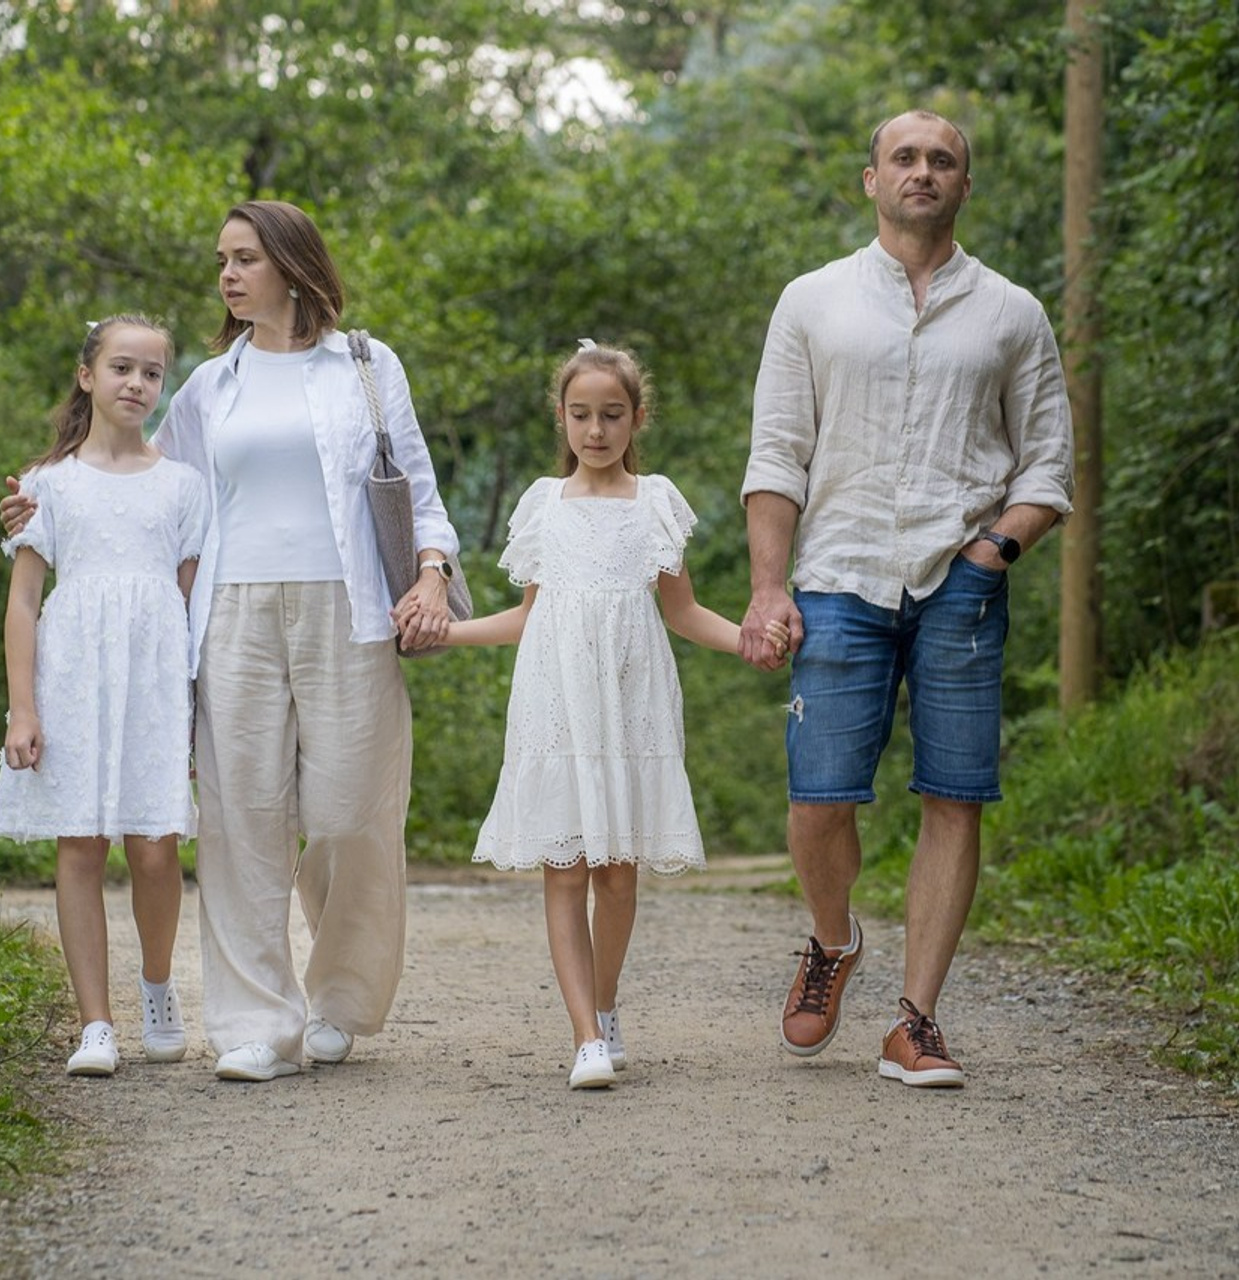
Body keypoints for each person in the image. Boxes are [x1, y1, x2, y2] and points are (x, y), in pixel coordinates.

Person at [4, 202, 460, 1082]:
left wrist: (432, 574)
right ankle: (256, 1025)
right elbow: (137, 480)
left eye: (245, 259)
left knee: (349, 814)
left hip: (350, 606)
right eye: (222, 260)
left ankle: (337, 998)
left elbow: (419, 487)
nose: (227, 275)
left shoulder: (365, 365)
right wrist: (36, 499)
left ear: (290, 265)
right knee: (241, 819)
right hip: (231, 614)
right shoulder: (212, 384)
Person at [738, 109, 1074, 1087]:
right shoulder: (811, 302)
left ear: (964, 185)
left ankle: (914, 1020)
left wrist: (990, 552)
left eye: (942, 159)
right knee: (814, 798)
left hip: (959, 581)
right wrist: (767, 588)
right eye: (904, 157)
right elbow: (775, 454)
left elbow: (1046, 463)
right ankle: (831, 939)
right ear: (868, 180)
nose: (922, 171)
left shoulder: (1010, 313)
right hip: (838, 572)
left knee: (952, 795)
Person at [438, 341, 787, 1089]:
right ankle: (586, 1036)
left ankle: (605, 1001)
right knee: (564, 870)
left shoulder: (655, 502)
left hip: (630, 704)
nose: (595, 431)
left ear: (636, 418)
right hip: (556, 700)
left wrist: (750, 641)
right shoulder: (543, 504)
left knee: (618, 877)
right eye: (581, 415)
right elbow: (524, 616)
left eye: (612, 415)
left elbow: (685, 613)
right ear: (562, 419)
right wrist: (447, 633)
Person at [1, 315, 208, 1076]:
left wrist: (194, 712)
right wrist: (23, 707)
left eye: (152, 373)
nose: (137, 385)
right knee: (81, 843)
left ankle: (157, 986)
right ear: (87, 375)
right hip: (72, 677)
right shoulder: (47, 486)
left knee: (155, 849)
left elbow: (191, 606)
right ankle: (96, 1022)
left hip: (154, 682)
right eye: (122, 368)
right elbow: (23, 603)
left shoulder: (182, 485)